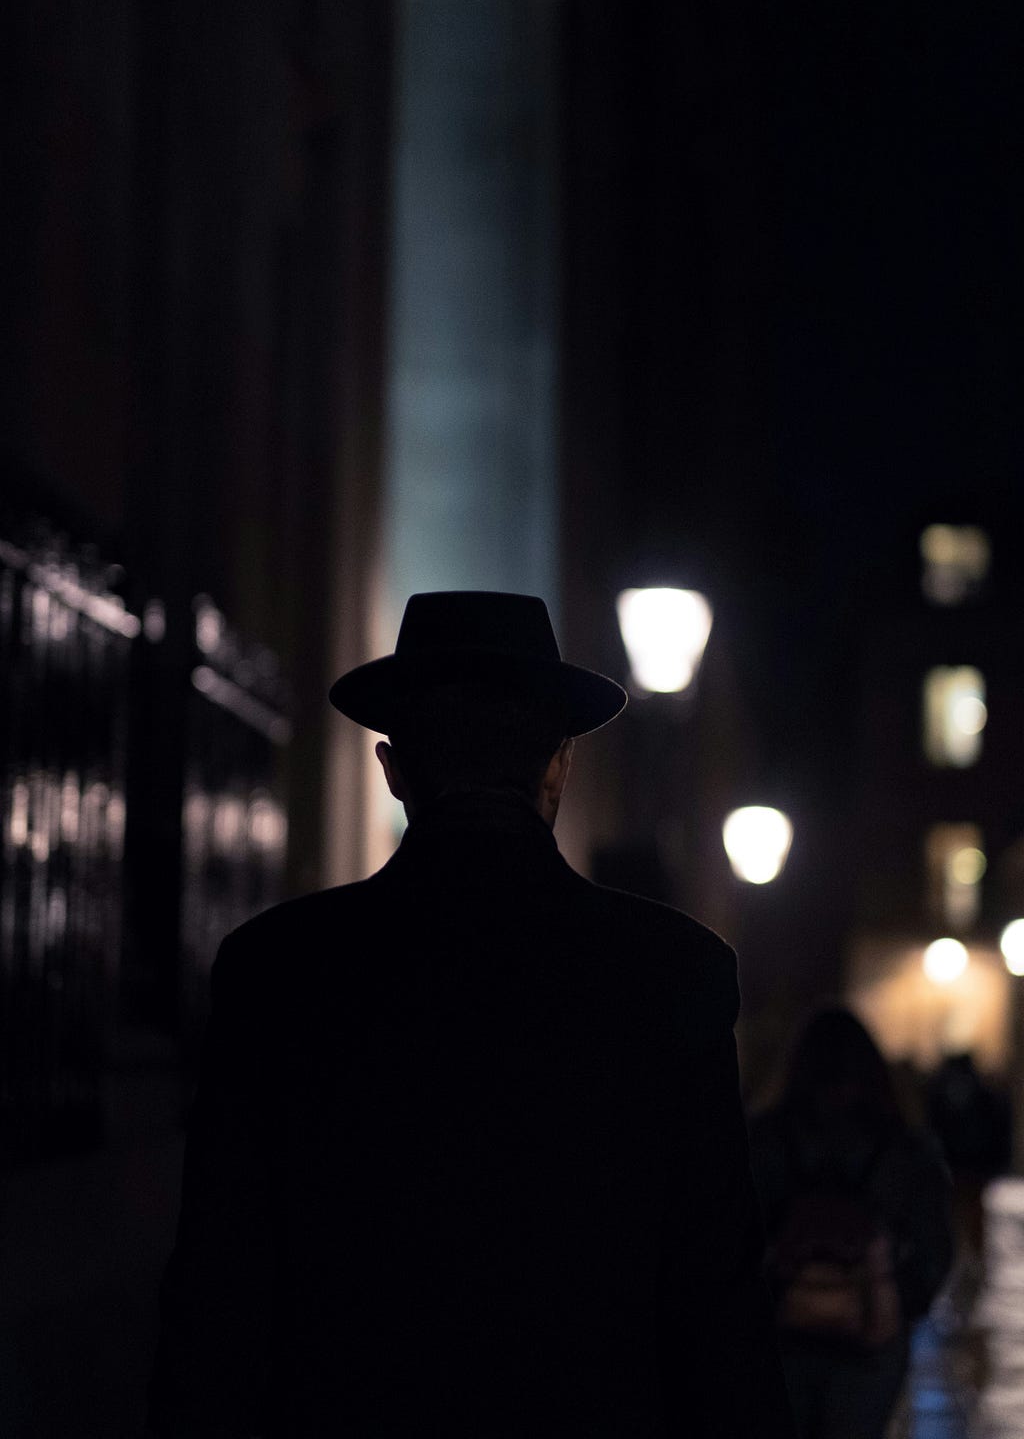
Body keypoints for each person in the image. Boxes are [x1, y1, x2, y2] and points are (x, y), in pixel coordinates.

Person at [149, 591, 795, 1438]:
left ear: (395, 771)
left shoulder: (276, 970)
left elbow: (219, 1293)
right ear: (557, 765)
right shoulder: (675, 974)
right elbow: (717, 1302)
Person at [748, 1004, 954, 1439]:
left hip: (782, 1339)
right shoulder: (906, 1147)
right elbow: (936, 1252)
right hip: (871, 1342)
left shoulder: (763, 1140)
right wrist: (894, 1303)